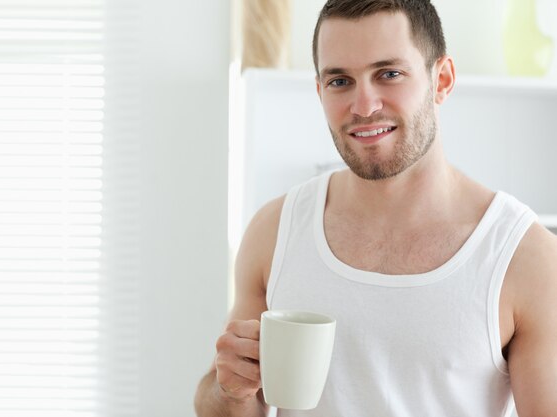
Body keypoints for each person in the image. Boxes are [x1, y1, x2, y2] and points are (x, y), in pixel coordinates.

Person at [194, 0, 557, 415]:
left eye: (389, 74)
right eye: (340, 81)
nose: (364, 106)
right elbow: (228, 405)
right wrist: (229, 390)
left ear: (442, 80)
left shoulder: (526, 258)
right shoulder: (273, 232)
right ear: (319, 91)